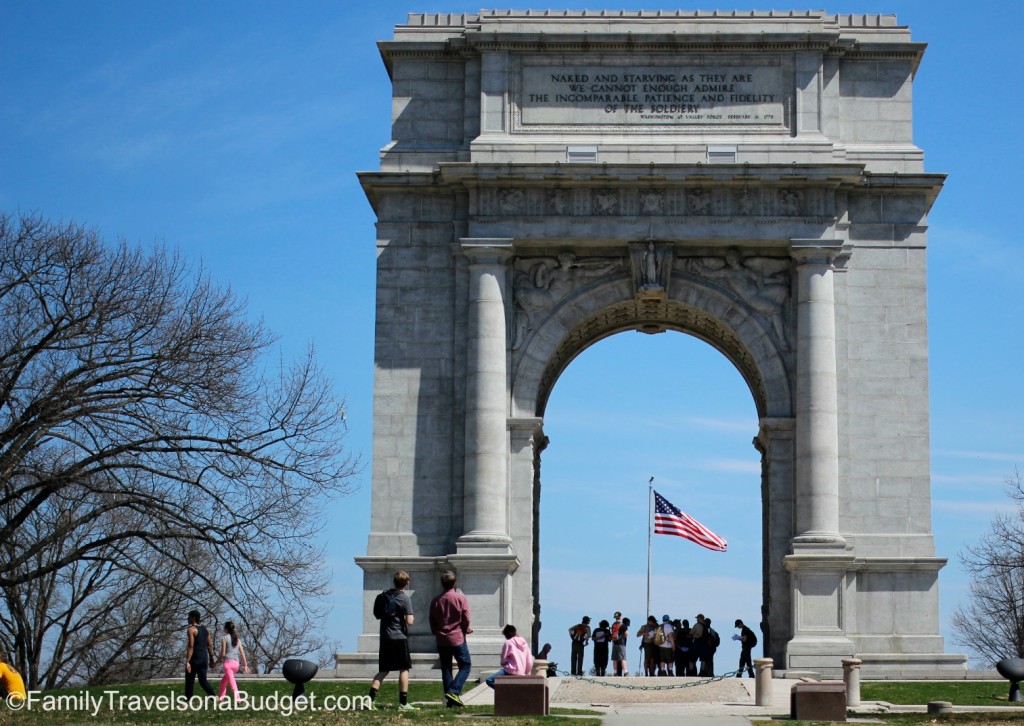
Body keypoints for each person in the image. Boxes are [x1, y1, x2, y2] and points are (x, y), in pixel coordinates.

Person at [369, 571, 418, 711]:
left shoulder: (386, 595)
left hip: (385, 637)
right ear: (407, 583)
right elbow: (410, 621)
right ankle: (403, 703)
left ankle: (369, 699)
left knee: (383, 670)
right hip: (399, 637)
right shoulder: (404, 599)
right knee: (404, 669)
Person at [429, 570, 472, 708]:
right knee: (465, 665)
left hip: (441, 638)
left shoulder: (436, 600)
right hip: (457, 637)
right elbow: (466, 617)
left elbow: (431, 620)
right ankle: (454, 691)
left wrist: (436, 632)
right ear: (455, 582)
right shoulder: (460, 598)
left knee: (446, 668)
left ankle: (451, 701)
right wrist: (466, 629)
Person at [185, 609, 216, 699]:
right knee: (203, 680)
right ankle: (213, 697)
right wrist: (211, 659)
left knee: (190, 680)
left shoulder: (191, 630)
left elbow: (191, 646)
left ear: (193, 617)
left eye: (189, 617)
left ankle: (188, 699)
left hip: (195, 658)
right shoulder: (206, 629)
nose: (188, 618)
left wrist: (187, 661)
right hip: (204, 658)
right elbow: (209, 645)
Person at [217, 621, 250, 701]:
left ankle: (238, 699)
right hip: (236, 664)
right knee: (223, 682)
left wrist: (216, 662)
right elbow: (242, 652)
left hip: (228, 664)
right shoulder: (237, 639)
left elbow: (223, 653)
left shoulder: (224, 638)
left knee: (232, 682)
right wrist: (245, 665)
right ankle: (221, 698)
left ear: (226, 629)